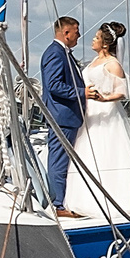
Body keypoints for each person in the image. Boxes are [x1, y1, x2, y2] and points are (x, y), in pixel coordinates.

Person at [72, 21, 130, 222]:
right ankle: (84, 199)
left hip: (104, 112)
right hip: (89, 111)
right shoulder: (93, 61)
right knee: (86, 153)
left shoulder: (113, 64)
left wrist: (103, 98)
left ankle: (115, 199)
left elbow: (122, 92)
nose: (92, 40)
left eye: (96, 37)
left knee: (107, 153)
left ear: (105, 44)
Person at [39, 15, 86, 215]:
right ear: (66, 33)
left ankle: (62, 200)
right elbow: (54, 85)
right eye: (76, 31)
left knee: (63, 160)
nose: (79, 35)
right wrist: (84, 93)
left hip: (67, 116)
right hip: (61, 116)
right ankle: (57, 204)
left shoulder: (63, 53)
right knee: (59, 160)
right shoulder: (55, 54)